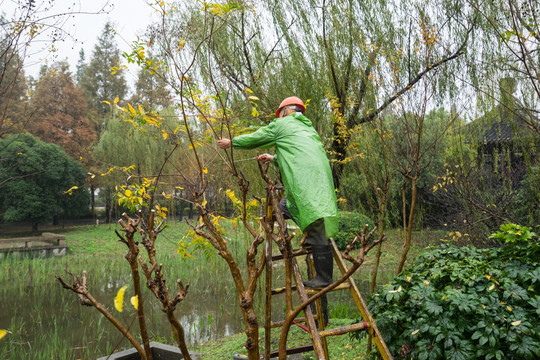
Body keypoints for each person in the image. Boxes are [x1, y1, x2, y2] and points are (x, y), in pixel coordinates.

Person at [218, 96, 339, 288]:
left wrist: (232, 142)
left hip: (306, 182)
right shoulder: (307, 128)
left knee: (316, 224)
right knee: (285, 207)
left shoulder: (282, 125)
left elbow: (256, 137)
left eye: (280, 114)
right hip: (319, 179)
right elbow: (296, 154)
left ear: (286, 111)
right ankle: (310, 241)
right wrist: (273, 157)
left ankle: (324, 278)